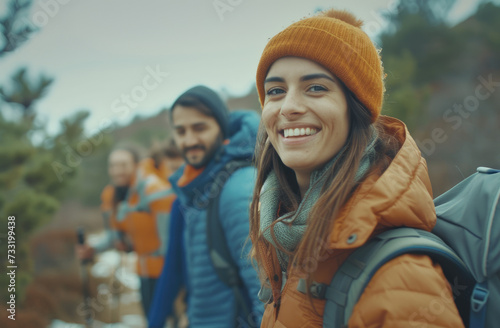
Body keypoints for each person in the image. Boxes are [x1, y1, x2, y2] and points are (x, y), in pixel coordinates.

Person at [248, 8, 464, 328]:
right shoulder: (284, 238)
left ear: (357, 109)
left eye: (316, 88)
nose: (289, 107)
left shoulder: (401, 276)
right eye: (276, 91)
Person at [164, 85, 264, 327]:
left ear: (222, 127)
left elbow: (264, 292)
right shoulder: (201, 185)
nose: (189, 140)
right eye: (181, 131)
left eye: (200, 128)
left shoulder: (237, 189)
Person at [77, 145, 176, 318]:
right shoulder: (115, 196)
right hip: (144, 273)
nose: (117, 171)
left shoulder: (154, 191)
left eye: (123, 165)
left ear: (136, 165)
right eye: (113, 165)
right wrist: (92, 249)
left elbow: (170, 241)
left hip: (169, 274)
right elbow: (115, 235)